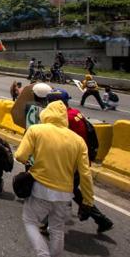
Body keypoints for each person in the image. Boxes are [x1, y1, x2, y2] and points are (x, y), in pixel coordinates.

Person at [15, 100, 95, 257]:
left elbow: (20, 156)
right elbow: (85, 174)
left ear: (46, 113)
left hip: (40, 188)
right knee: (57, 228)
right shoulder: (78, 140)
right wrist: (88, 201)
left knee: (30, 220)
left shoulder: (36, 130)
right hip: (65, 193)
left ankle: (42, 253)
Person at [46, 89, 114, 234]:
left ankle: (49, 225)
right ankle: (101, 219)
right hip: (82, 158)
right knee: (72, 190)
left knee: (59, 191)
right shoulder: (75, 113)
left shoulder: (64, 118)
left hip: (72, 162)